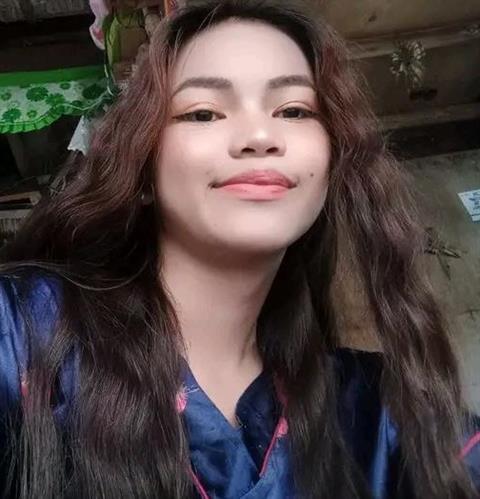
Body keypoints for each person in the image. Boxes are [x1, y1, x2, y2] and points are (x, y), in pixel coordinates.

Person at [0, 1, 479, 497]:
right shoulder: (23, 336)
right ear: (141, 168)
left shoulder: (379, 414)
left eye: (294, 110)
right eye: (203, 112)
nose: (260, 136)